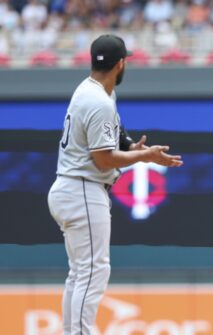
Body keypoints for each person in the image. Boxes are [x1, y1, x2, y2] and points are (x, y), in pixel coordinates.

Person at [47, 34, 183, 335]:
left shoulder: (91, 91)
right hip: (83, 187)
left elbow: (114, 138)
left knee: (81, 273)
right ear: (121, 63)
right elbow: (103, 160)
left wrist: (134, 147)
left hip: (71, 187)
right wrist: (144, 156)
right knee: (94, 271)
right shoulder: (99, 101)